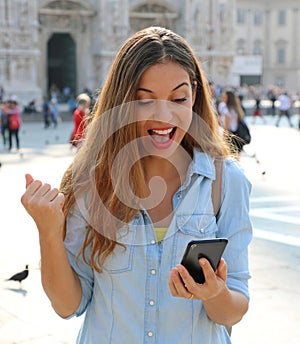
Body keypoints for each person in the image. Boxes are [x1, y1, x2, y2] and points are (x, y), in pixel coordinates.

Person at [21, 27, 252, 343]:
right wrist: (48, 233)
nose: (163, 115)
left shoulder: (225, 181)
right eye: (144, 101)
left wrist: (214, 293)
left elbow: (233, 310)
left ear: (195, 95)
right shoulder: (91, 180)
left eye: (178, 98)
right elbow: (67, 305)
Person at [218, 90, 249, 157]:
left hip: (230, 134)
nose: (223, 98)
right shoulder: (236, 108)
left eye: (224, 97)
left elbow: (227, 127)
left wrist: (224, 139)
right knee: (236, 156)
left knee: (230, 156)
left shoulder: (226, 109)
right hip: (237, 134)